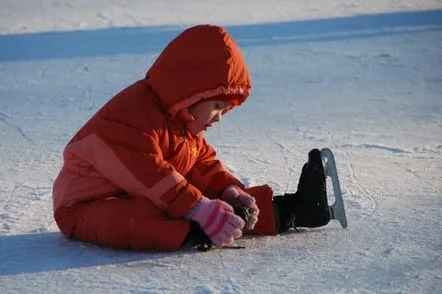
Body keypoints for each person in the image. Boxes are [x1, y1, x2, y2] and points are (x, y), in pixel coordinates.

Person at [52, 24, 331, 252]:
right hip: (86, 206)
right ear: (192, 95)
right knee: (145, 216)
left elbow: (202, 167)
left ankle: (294, 209)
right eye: (218, 107)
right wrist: (199, 211)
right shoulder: (126, 118)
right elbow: (151, 176)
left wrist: (229, 192)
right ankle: (197, 231)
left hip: (139, 191)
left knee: (206, 202)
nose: (219, 117)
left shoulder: (180, 122)